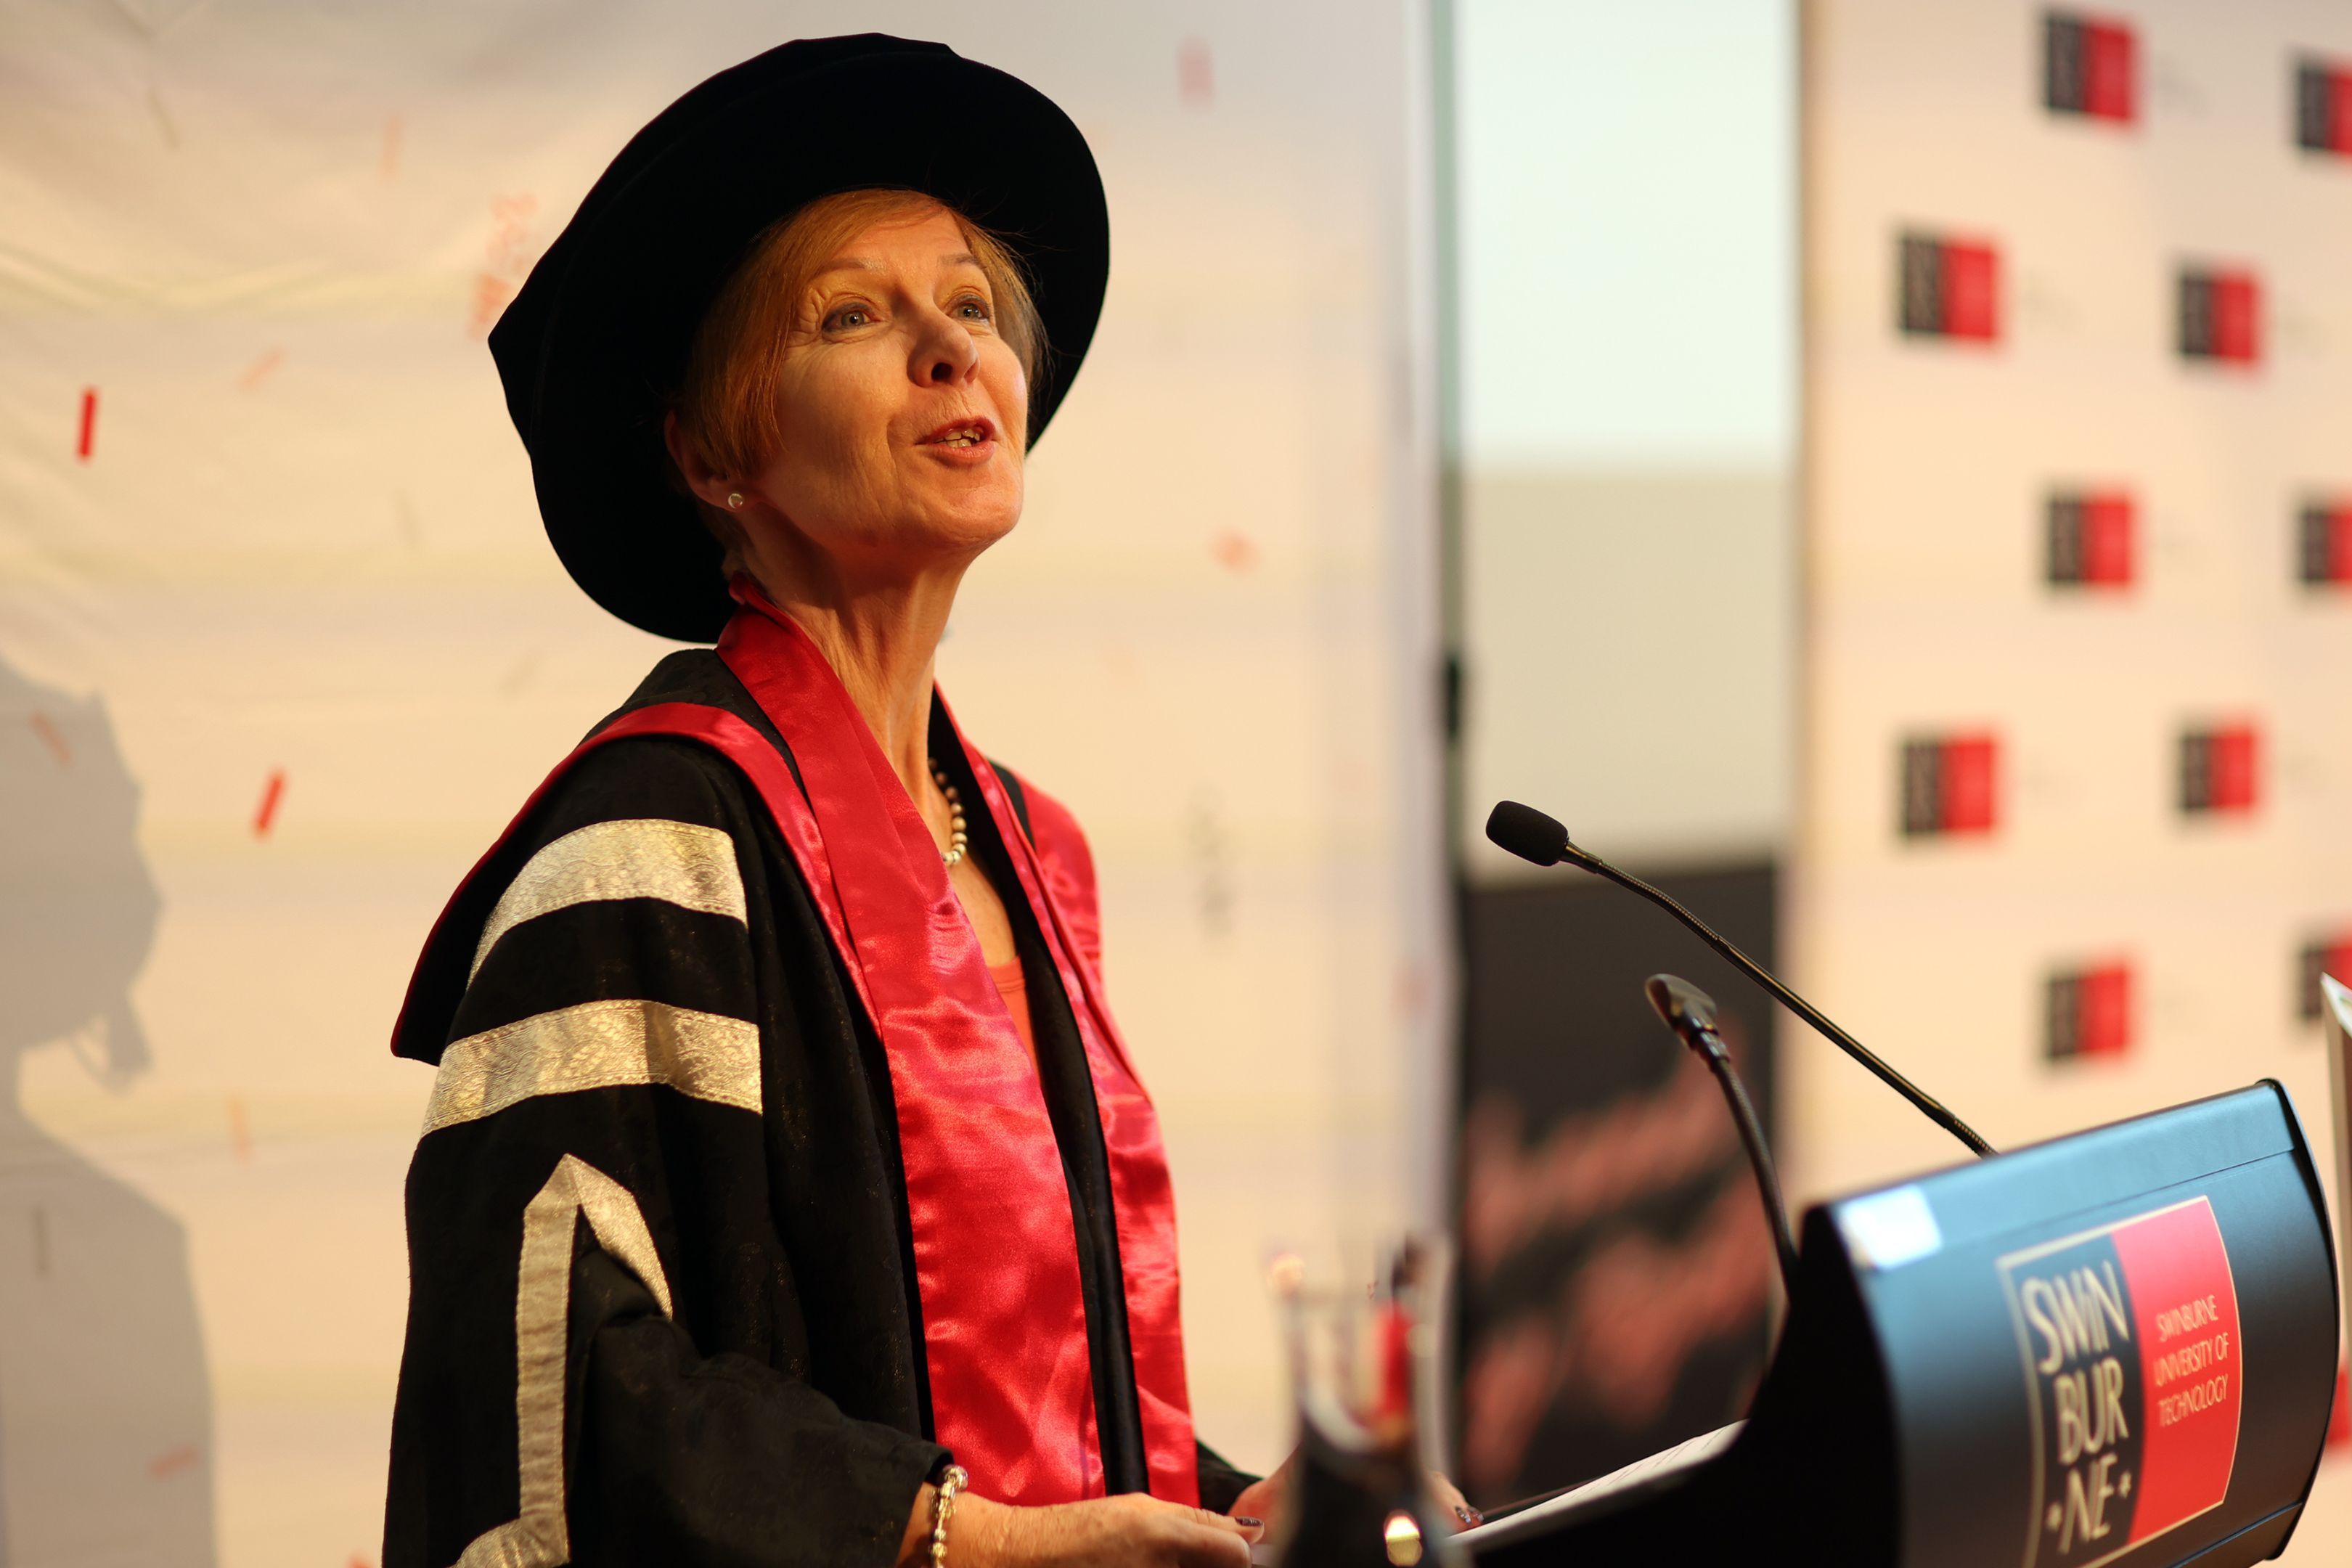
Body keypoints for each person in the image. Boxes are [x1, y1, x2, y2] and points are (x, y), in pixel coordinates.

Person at [383, 33, 1471, 1568]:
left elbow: (1017, 1391)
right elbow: (559, 1392)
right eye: (854, 317)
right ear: (708, 450)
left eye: (972, 306)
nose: (955, 351)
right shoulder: (647, 852)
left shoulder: (1030, 850)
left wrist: (1226, 1504)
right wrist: (968, 1544)